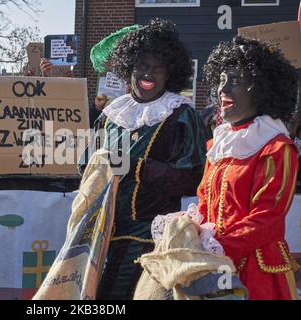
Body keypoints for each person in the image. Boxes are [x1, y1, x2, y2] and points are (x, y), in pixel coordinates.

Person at [79, 18, 207, 300]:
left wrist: (134, 167)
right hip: (101, 235)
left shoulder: (181, 116)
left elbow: (191, 177)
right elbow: (86, 164)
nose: (149, 74)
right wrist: (96, 166)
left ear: (169, 74)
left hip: (149, 237)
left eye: (158, 68)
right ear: (129, 70)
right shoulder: (112, 114)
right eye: (143, 66)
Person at [200, 36, 299, 300]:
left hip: (258, 273)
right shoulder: (219, 143)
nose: (223, 89)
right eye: (221, 80)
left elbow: (267, 218)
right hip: (214, 266)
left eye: (234, 80)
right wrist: (191, 229)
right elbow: (203, 201)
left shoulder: (276, 146)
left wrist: (218, 246)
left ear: (261, 90)